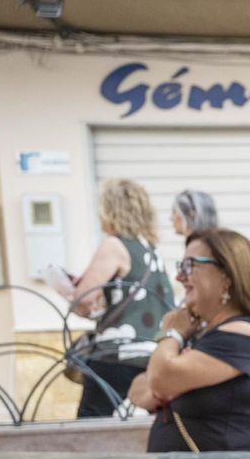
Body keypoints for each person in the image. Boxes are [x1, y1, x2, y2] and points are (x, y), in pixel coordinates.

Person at [130, 228, 250, 453]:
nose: (180, 277)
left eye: (190, 265)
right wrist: (167, 381)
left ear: (227, 274)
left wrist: (172, 332)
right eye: (181, 266)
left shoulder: (243, 336)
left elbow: (159, 377)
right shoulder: (205, 336)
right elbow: (137, 389)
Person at [59, 179, 175, 418]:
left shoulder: (114, 245)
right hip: (151, 352)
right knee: (141, 422)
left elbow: (84, 299)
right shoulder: (150, 249)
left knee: (93, 422)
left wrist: (67, 289)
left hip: (117, 354)